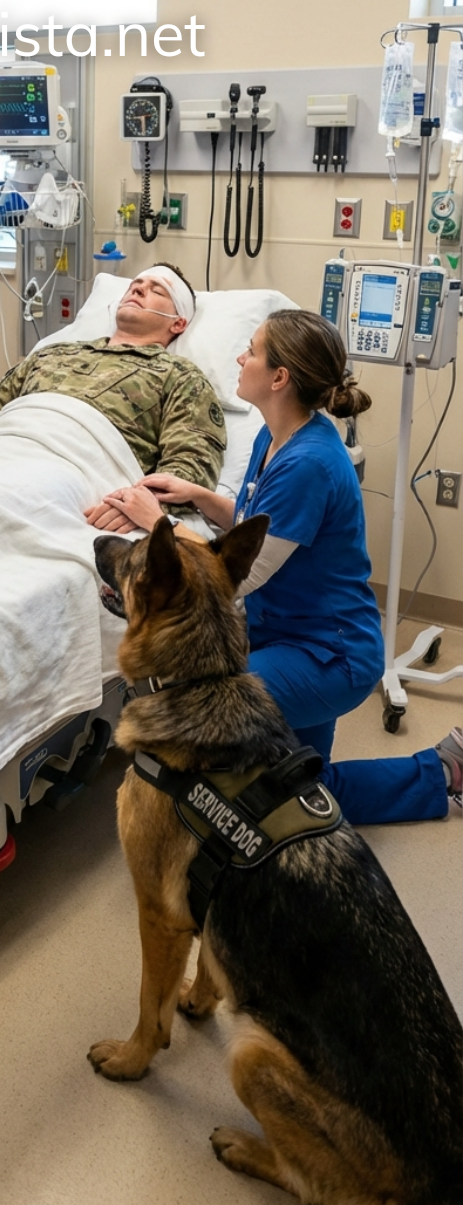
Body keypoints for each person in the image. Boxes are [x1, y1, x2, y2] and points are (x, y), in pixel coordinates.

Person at [88, 308, 462, 824]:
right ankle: (446, 772)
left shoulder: (308, 463)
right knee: (300, 789)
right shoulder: (277, 436)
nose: (240, 359)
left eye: (252, 352)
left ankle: (439, 773)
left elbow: (238, 577)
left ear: (279, 378)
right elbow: (252, 525)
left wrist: (158, 523)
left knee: (208, 710)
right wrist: (198, 495)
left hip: (329, 655)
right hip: (285, 636)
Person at [0, 264, 228, 490]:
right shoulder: (52, 354)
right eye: (135, 285)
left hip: (71, 473)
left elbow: (191, 463)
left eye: (157, 290)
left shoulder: (180, 376)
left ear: (178, 323)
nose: (137, 290)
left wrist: (146, 503)